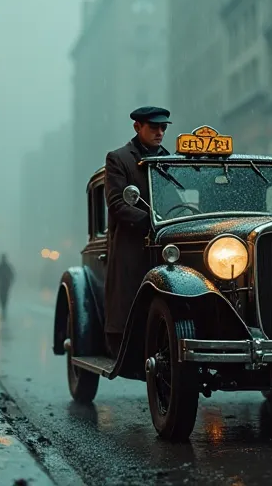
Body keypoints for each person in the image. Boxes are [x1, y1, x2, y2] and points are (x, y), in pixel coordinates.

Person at [103, 106, 171, 357]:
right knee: (131, 303)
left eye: (163, 127)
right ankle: (127, 344)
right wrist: (153, 221)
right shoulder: (119, 159)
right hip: (134, 247)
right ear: (137, 127)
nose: (160, 132)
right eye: (154, 127)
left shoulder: (170, 160)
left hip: (167, 246)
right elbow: (118, 204)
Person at [0, 254, 15, 318]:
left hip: (3, 284)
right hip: (5, 285)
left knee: (2, 296)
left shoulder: (1, 266)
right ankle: (4, 308)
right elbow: (12, 275)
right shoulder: (6, 267)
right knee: (4, 296)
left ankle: (3, 308)